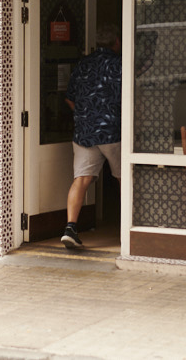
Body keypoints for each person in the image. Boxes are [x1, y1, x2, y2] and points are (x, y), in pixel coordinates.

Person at [61, 23, 122, 249]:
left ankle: (70, 228)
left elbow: (69, 98)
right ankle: (129, 229)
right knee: (124, 178)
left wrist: (86, 116)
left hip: (84, 132)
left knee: (81, 179)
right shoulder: (120, 64)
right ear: (117, 42)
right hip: (112, 131)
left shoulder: (83, 64)